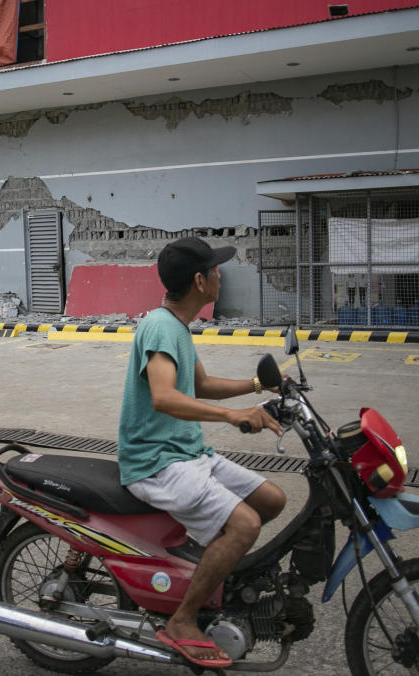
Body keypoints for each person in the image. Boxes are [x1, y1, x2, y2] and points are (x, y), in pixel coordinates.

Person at [118, 237, 286, 669]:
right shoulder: (160, 327)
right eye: (215, 269)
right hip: (158, 462)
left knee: (271, 500)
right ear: (199, 281)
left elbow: (202, 385)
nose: (220, 274)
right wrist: (231, 418)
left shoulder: (178, 325)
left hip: (188, 453)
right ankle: (183, 619)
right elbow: (163, 396)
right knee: (245, 524)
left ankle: (211, 572)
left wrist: (258, 388)